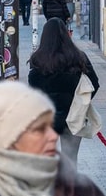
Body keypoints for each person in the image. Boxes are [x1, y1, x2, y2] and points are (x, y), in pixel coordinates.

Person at [28, 18, 100, 167]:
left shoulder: (38, 59)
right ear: (66, 35)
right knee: (70, 160)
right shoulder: (78, 57)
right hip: (73, 116)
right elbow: (94, 83)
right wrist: (82, 101)